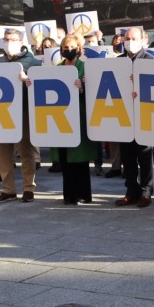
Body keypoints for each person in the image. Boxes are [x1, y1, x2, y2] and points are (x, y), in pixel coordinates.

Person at [0, 28, 41, 203]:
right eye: (6, 39)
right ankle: (8, 190)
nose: (8, 42)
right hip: (1, 113)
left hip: (23, 112)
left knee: (26, 151)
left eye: (12, 39)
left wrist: (28, 79)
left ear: (21, 42)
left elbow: (40, 87)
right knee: (2, 153)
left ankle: (28, 188)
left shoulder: (33, 63)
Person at [48, 34, 95, 204]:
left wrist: (83, 88)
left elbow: (95, 94)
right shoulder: (56, 68)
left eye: (72, 47)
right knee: (65, 158)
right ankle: (69, 195)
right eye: (65, 48)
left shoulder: (86, 68)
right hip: (61, 119)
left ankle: (83, 194)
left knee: (79, 159)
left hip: (80, 119)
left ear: (79, 49)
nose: (69, 50)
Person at [114, 26, 154, 207]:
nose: (129, 42)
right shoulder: (117, 61)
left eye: (133, 38)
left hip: (144, 114)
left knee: (145, 154)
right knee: (127, 155)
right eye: (127, 38)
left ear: (143, 41)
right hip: (124, 115)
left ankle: (146, 191)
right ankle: (131, 190)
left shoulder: (150, 61)